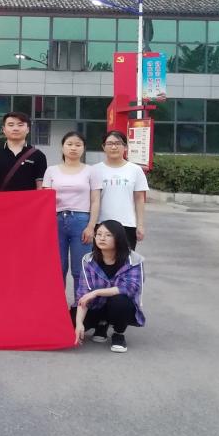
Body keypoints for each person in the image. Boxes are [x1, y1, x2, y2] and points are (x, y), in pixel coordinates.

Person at [73, 219, 145, 353]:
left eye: (108, 235)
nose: (102, 238)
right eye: (99, 234)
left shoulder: (134, 260)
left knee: (120, 300)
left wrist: (96, 292)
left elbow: (130, 288)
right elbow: (83, 295)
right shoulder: (88, 260)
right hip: (96, 306)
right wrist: (78, 324)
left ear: (118, 238)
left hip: (121, 305)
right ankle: (102, 324)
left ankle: (118, 333)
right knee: (70, 322)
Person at [42, 131, 92, 292]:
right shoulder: (51, 171)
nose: (73, 148)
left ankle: (80, 303)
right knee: (58, 267)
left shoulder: (90, 171)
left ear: (83, 148)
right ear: (62, 147)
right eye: (69, 144)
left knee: (80, 268)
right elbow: (45, 199)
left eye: (78, 145)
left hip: (81, 221)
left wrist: (91, 226)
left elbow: (96, 200)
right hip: (56, 220)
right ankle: (58, 304)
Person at [88, 130, 149, 250]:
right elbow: (92, 199)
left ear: (125, 147)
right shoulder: (95, 170)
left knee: (124, 260)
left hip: (127, 225)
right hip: (101, 225)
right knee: (101, 260)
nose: (114, 147)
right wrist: (91, 225)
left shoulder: (135, 170)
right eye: (110, 143)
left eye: (118, 143)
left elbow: (139, 199)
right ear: (103, 147)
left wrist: (140, 225)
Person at [0, 112, 47, 192]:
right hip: (2, 200)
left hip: (29, 200)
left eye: (20, 125)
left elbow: (40, 187)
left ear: (28, 129)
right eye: (11, 125)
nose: (15, 128)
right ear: (3, 129)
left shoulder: (38, 155)